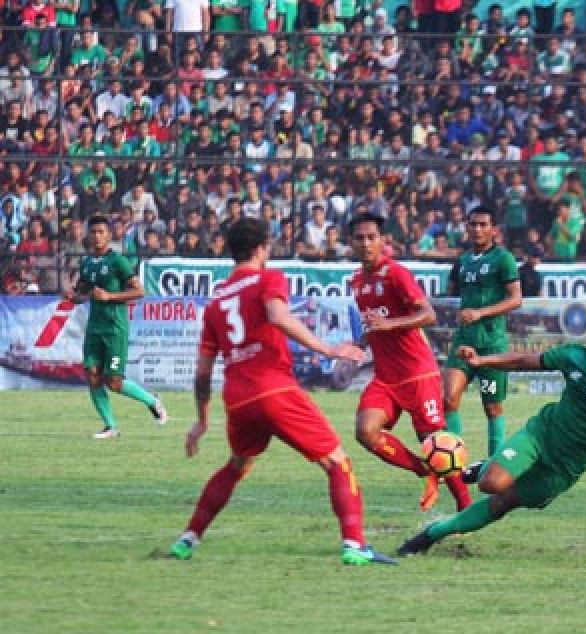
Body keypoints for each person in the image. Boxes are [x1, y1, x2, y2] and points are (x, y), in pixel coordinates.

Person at [168, 218, 395, 566]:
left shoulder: (216, 302)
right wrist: (328, 349)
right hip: (274, 389)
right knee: (338, 463)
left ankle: (188, 539)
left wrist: (201, 421)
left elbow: (202, 371)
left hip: (237, 397)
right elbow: (277, 314)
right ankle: (355, 546)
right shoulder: (267, 278)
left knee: (237, 465)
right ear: (261, 249)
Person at [397, 312, 586, 561]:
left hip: (566, 467)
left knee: (501, 504)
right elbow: (522, 362)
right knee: (491, 483)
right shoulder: (574, 357)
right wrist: (480, 362)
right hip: (541, 435)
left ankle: (433, 533)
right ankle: (432, 529)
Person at [347, 212, 471, 513]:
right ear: (351, 243)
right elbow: (374, 324)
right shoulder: (357, 281)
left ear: (383, 241)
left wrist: (389, 325)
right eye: (359, 238)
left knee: (436, 443)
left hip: (417, 373)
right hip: (386, 378)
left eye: (371, 237)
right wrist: (358, 345)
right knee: (366, 432)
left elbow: (428, 315)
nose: (365, 244)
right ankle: (423, 471)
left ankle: (465, 506)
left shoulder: (396, 274)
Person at [64, 215, 166, 439]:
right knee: (92, 375)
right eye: (94, 232)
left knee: (114, 382)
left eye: (102, 232)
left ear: (109, 235)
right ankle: (110, 426)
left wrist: (110, 296)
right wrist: (74, 297)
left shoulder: (118, 261)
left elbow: (139, 292)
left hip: (115, 328)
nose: (97, 236)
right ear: (88, 236)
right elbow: (83, 291)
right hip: (94, 328)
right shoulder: (87, 263)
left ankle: (153, 401)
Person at [442, 206, 522, 458]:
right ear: (466, 228)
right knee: (448, 398)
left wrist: (480, 312)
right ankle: (453, 461)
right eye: (473, 224)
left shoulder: (503, 259)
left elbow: (515, 299)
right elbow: (451, 296)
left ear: (494, 230)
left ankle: (493, 463)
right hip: (463, 341)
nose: (477, 229)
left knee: (493, 408)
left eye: (483, 224)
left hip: (491, 346)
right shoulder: (463, 261)